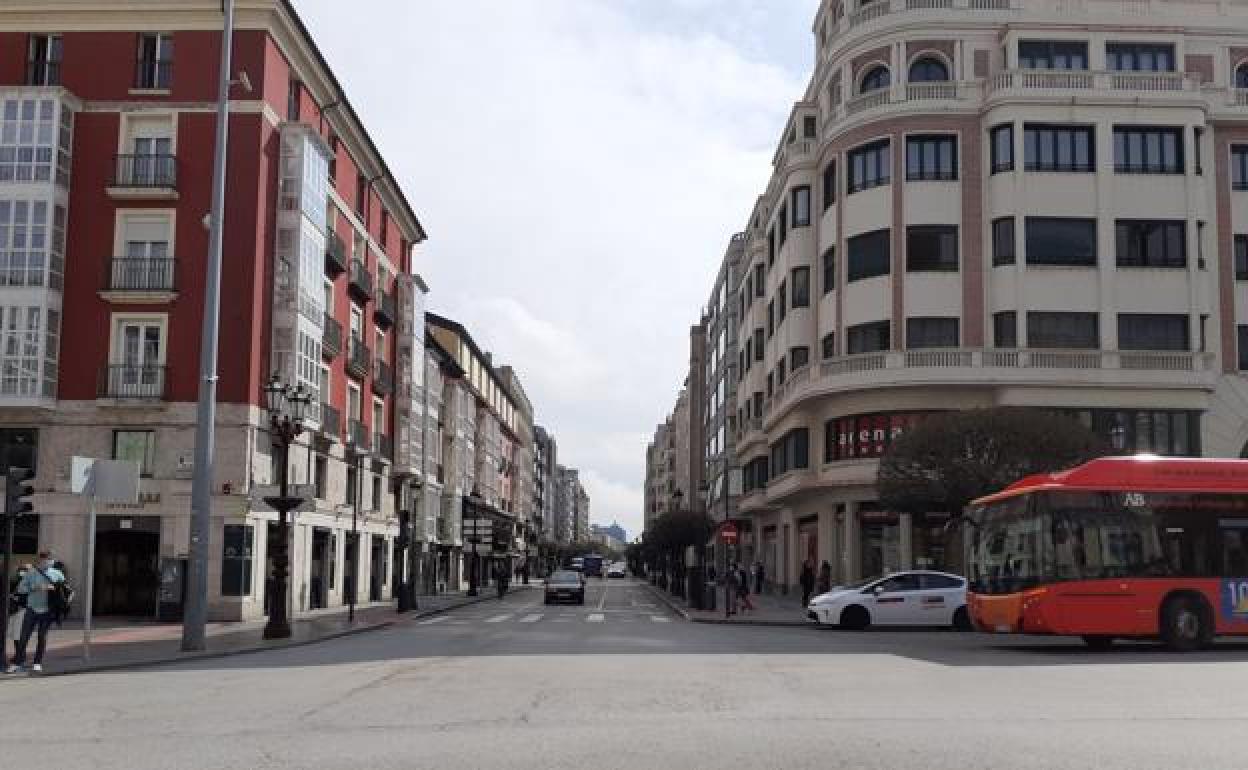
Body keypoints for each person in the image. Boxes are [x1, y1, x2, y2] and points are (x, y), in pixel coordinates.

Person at [8, 551, 65, 674]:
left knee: (41, 637)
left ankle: (37, 663)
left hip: (47, 611)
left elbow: (64, 588)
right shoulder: (31, 573)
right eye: (45, 560)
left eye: (49, 560)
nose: (47, 562)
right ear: (40, 560)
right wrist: (35, 587)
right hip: (32, 609)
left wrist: (55, 589)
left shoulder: (57, 573)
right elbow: (21, 588)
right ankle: (17, 663)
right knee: (23, 637)